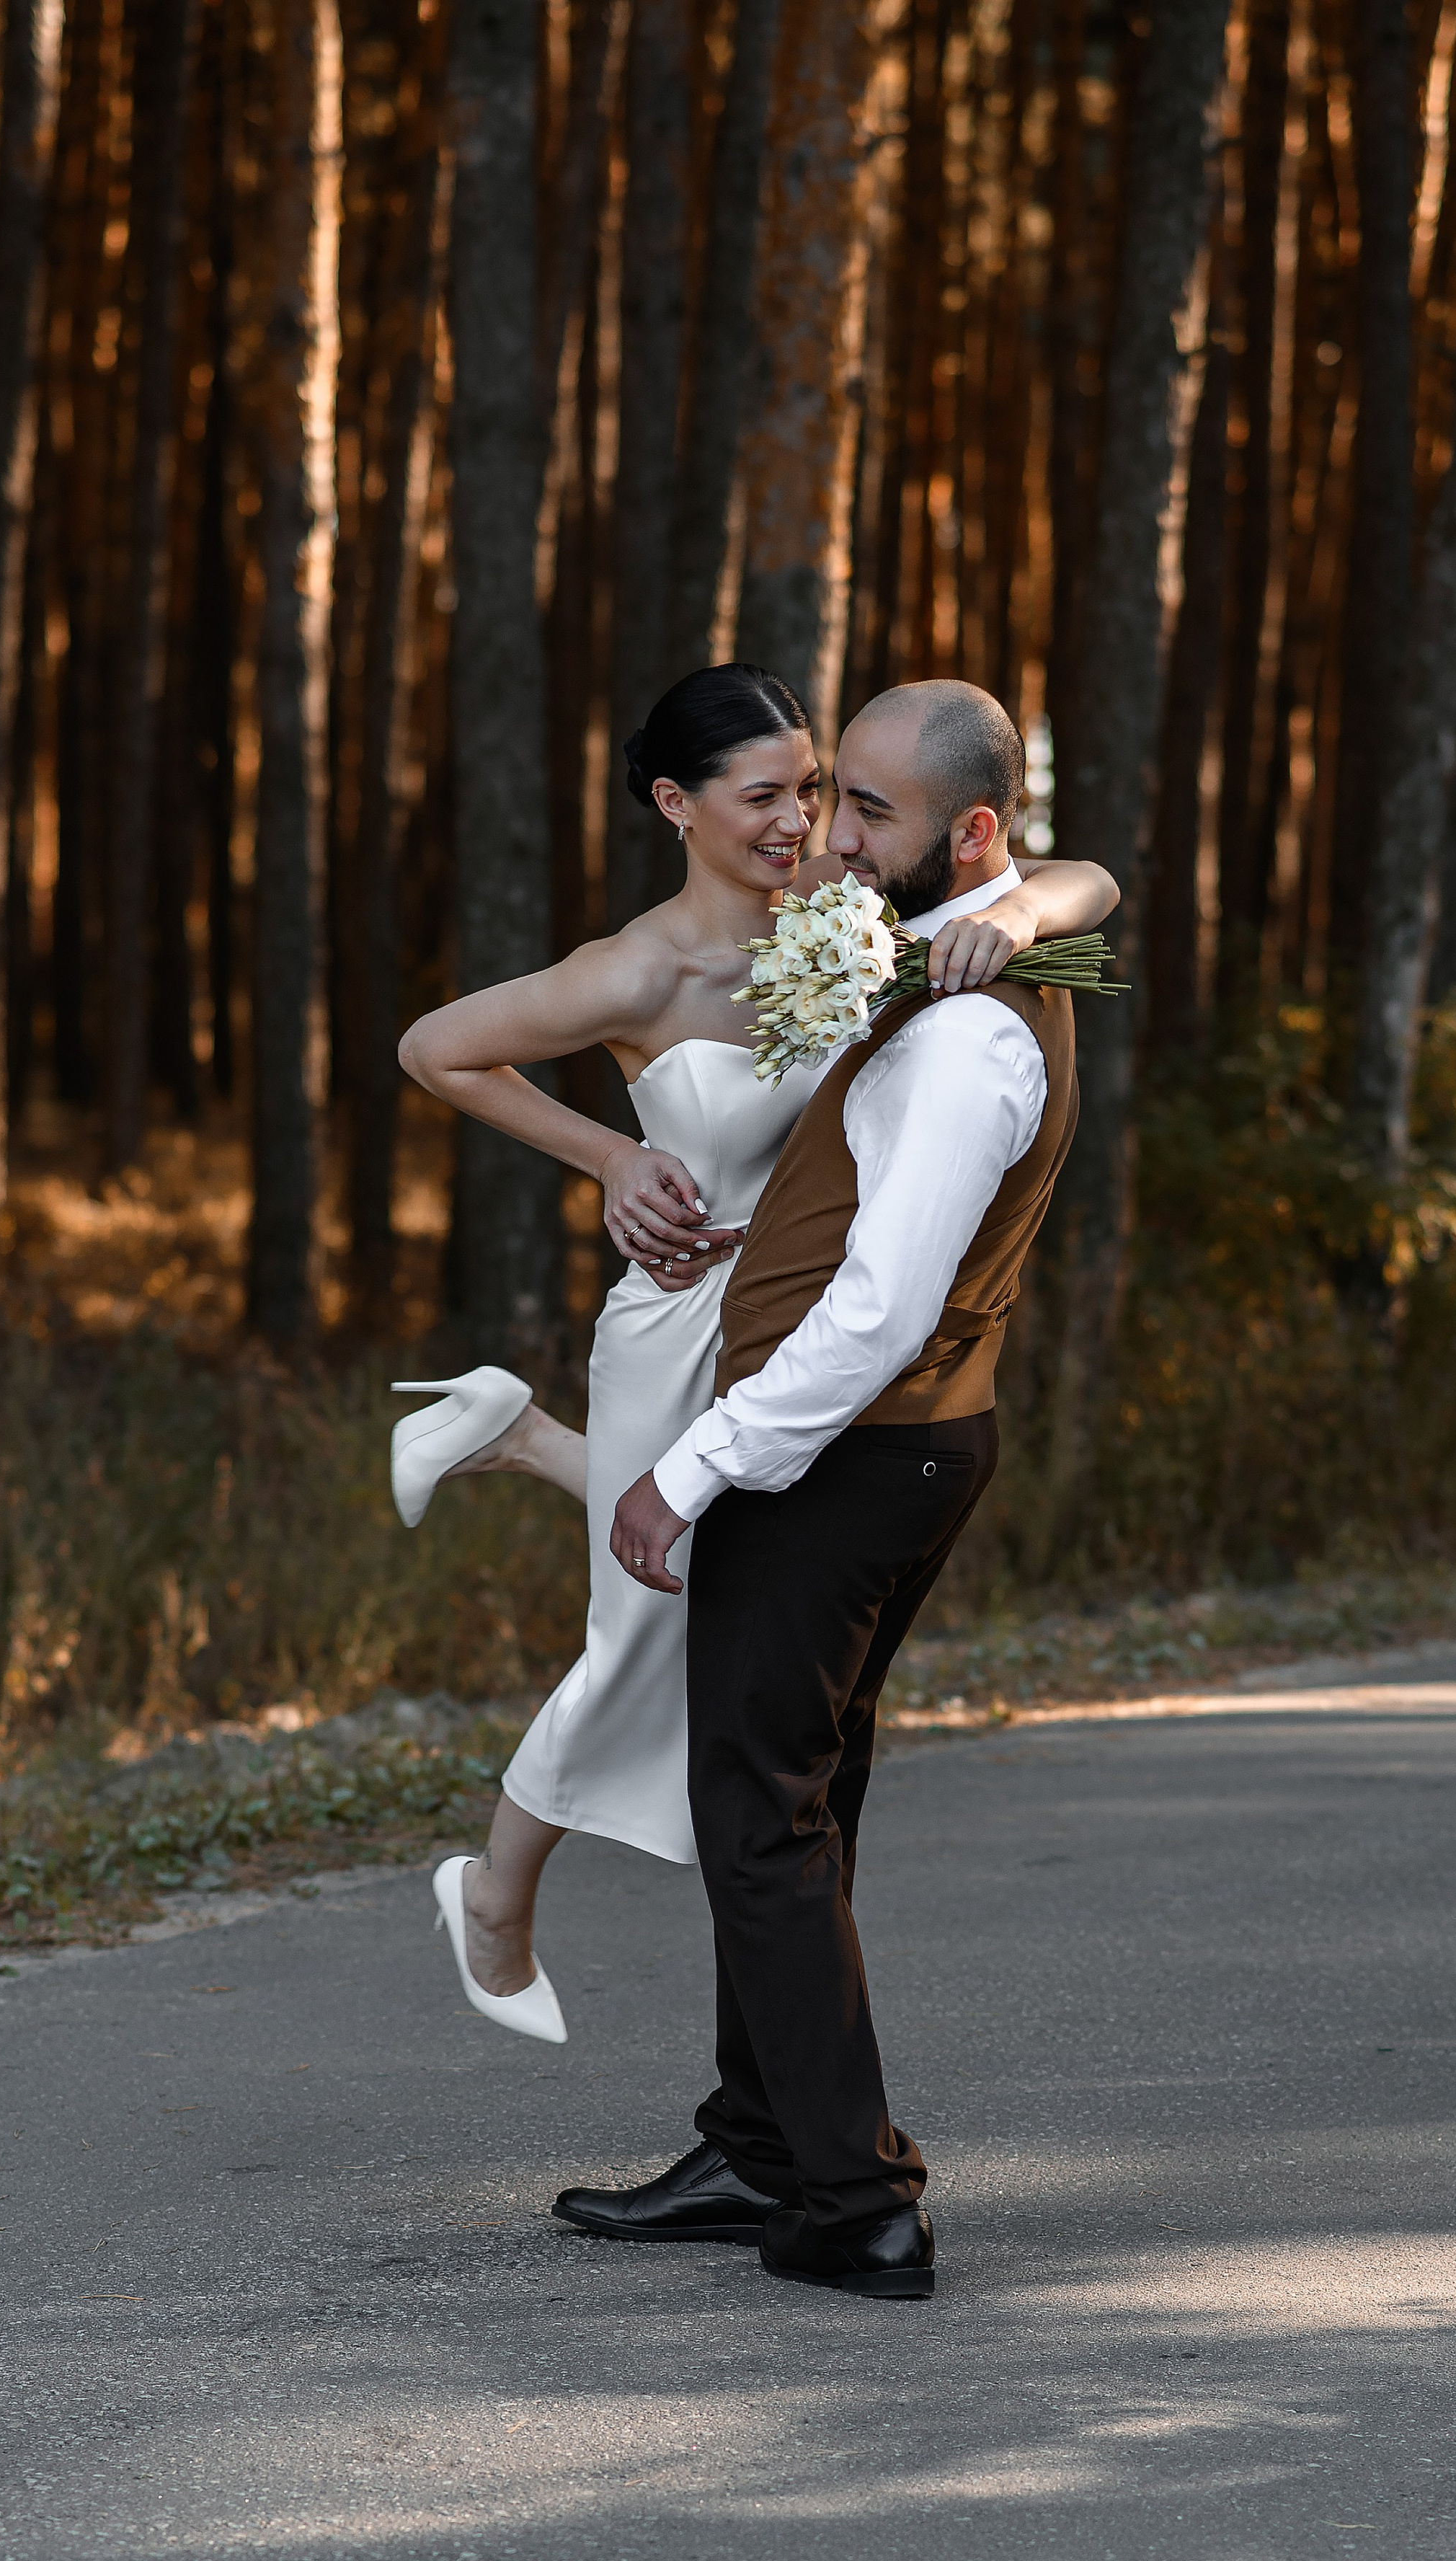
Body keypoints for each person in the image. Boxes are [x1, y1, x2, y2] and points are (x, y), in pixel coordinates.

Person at [394, 665, 1116, 2045]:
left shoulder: (850, 905)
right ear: (677, 805)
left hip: (814, 1324)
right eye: (766, 795)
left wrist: (1018, 911)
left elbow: (1088, 881)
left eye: (818, 789)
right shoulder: (640, 969)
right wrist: (612, 1158)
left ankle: (517, 1436)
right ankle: (494, 1894)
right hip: (686, 1315)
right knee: (645, 1639)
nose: (803, 822)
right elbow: (437, 1049)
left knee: (718, 1588)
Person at [554, 680, 1082, 2300]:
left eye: (868, 811)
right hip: (874, 1449)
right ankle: (761, 2142)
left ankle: (855, 2203)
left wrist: (692, 1465)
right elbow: (1076, 882)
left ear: (968, 835)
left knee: (759, 1816)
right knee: (799, 1797)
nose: (831, 838)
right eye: (830, 795)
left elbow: (878, 1312)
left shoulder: (969, 1036)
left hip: (846, 1456)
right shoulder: (943, 949)